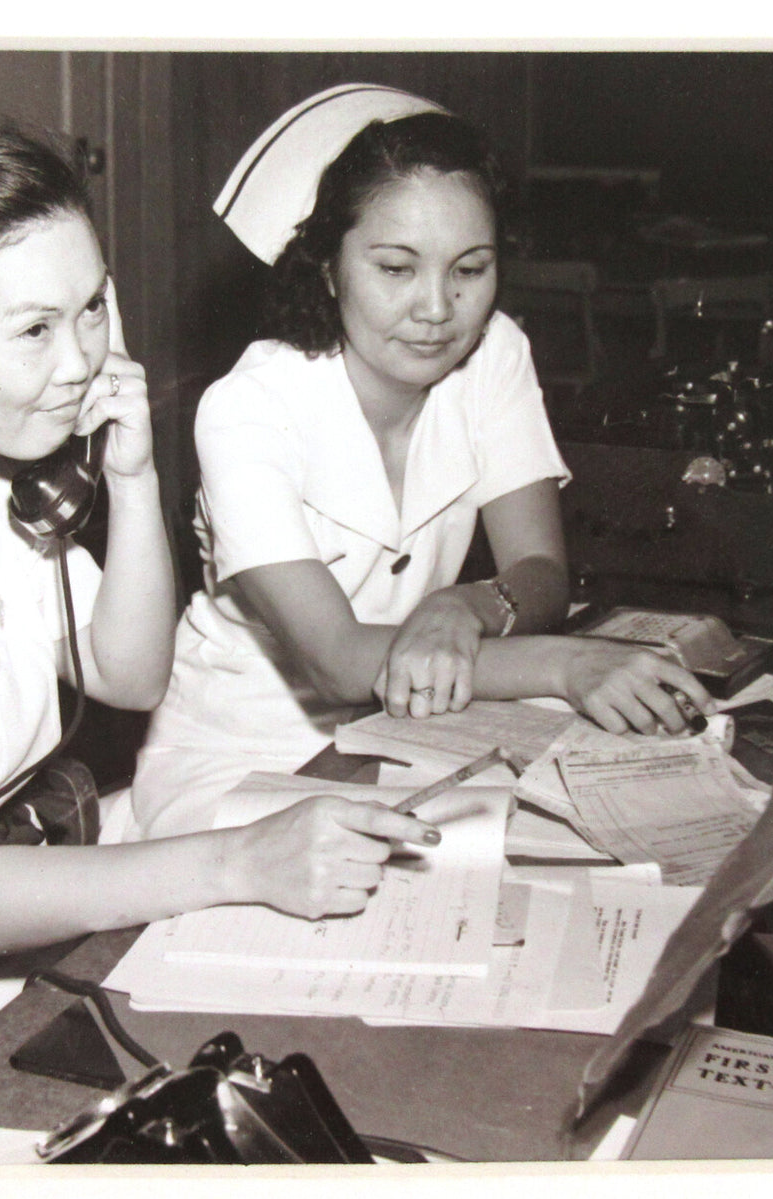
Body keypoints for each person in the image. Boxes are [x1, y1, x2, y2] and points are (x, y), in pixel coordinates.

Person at [0, 123, 440, 1162]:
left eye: (93, 306)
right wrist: (242, 860)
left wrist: (131, 478)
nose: (82, 359)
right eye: (34, 329)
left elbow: (127, 674)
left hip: (23, 935)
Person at [125, 85, 713, 839]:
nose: (437, 308)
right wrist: (569, 665)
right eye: (396, 269)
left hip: (420, 727)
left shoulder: (495, 354)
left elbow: (539, 571)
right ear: (328, 267)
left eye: (469, 269)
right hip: (241, 757)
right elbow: (338, 662)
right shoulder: (247, 408)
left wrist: (464, 606)